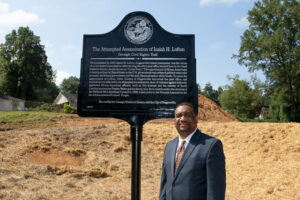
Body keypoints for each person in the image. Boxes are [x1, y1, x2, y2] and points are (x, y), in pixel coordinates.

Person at [159, 102, 226, 200]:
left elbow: (216, 190)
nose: (182, 119)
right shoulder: (169, 146)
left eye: (188, 115)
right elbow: (165, 184)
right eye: (178, 116)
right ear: (174, 120)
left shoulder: (211, 146)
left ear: (196, 118)